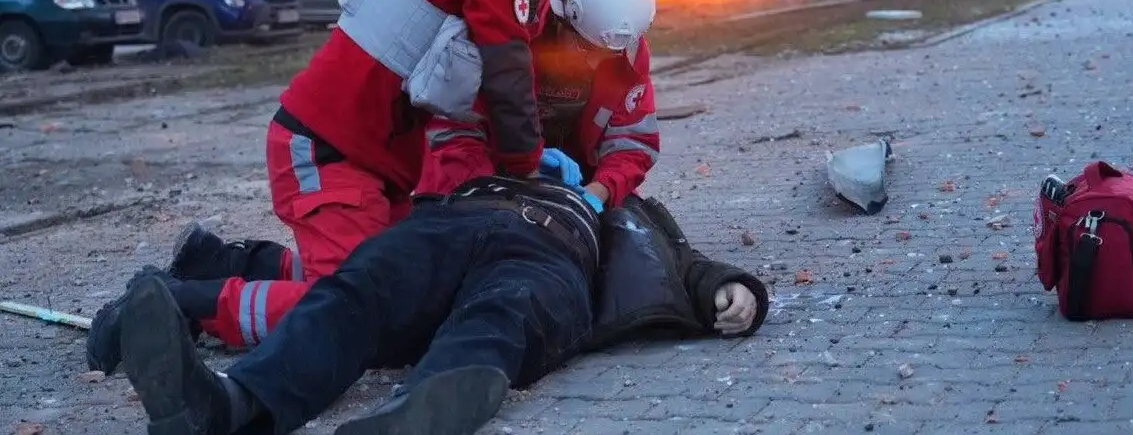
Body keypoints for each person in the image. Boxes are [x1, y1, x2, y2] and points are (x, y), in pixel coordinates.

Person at [84, 0, 631, 376]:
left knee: (405, 285)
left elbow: (486, 85)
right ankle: (173, 307)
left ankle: (225, 265)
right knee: (355, 308)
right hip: (330, 150)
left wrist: (514, 164)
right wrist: (527, 170)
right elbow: (507, 77)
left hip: (372, 160)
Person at [116, 175, 769, 435]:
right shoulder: (487, 143)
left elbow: (677, 256)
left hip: (550, 257)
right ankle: (229, 407)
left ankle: (414, 416)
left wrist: (727, 287)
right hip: (447, 228)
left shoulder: (619, 194)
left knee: (503, 313)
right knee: (353, 293)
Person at [420, 0, 659, 209]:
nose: (595, 63)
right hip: (478, 178)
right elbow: (453, 133)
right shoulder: (501, 30)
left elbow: (633, 143)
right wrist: (509, 176)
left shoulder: (620, 47)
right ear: (561, 20)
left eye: (608, 55)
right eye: (587, 48)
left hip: (574, 186)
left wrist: (599, 192)